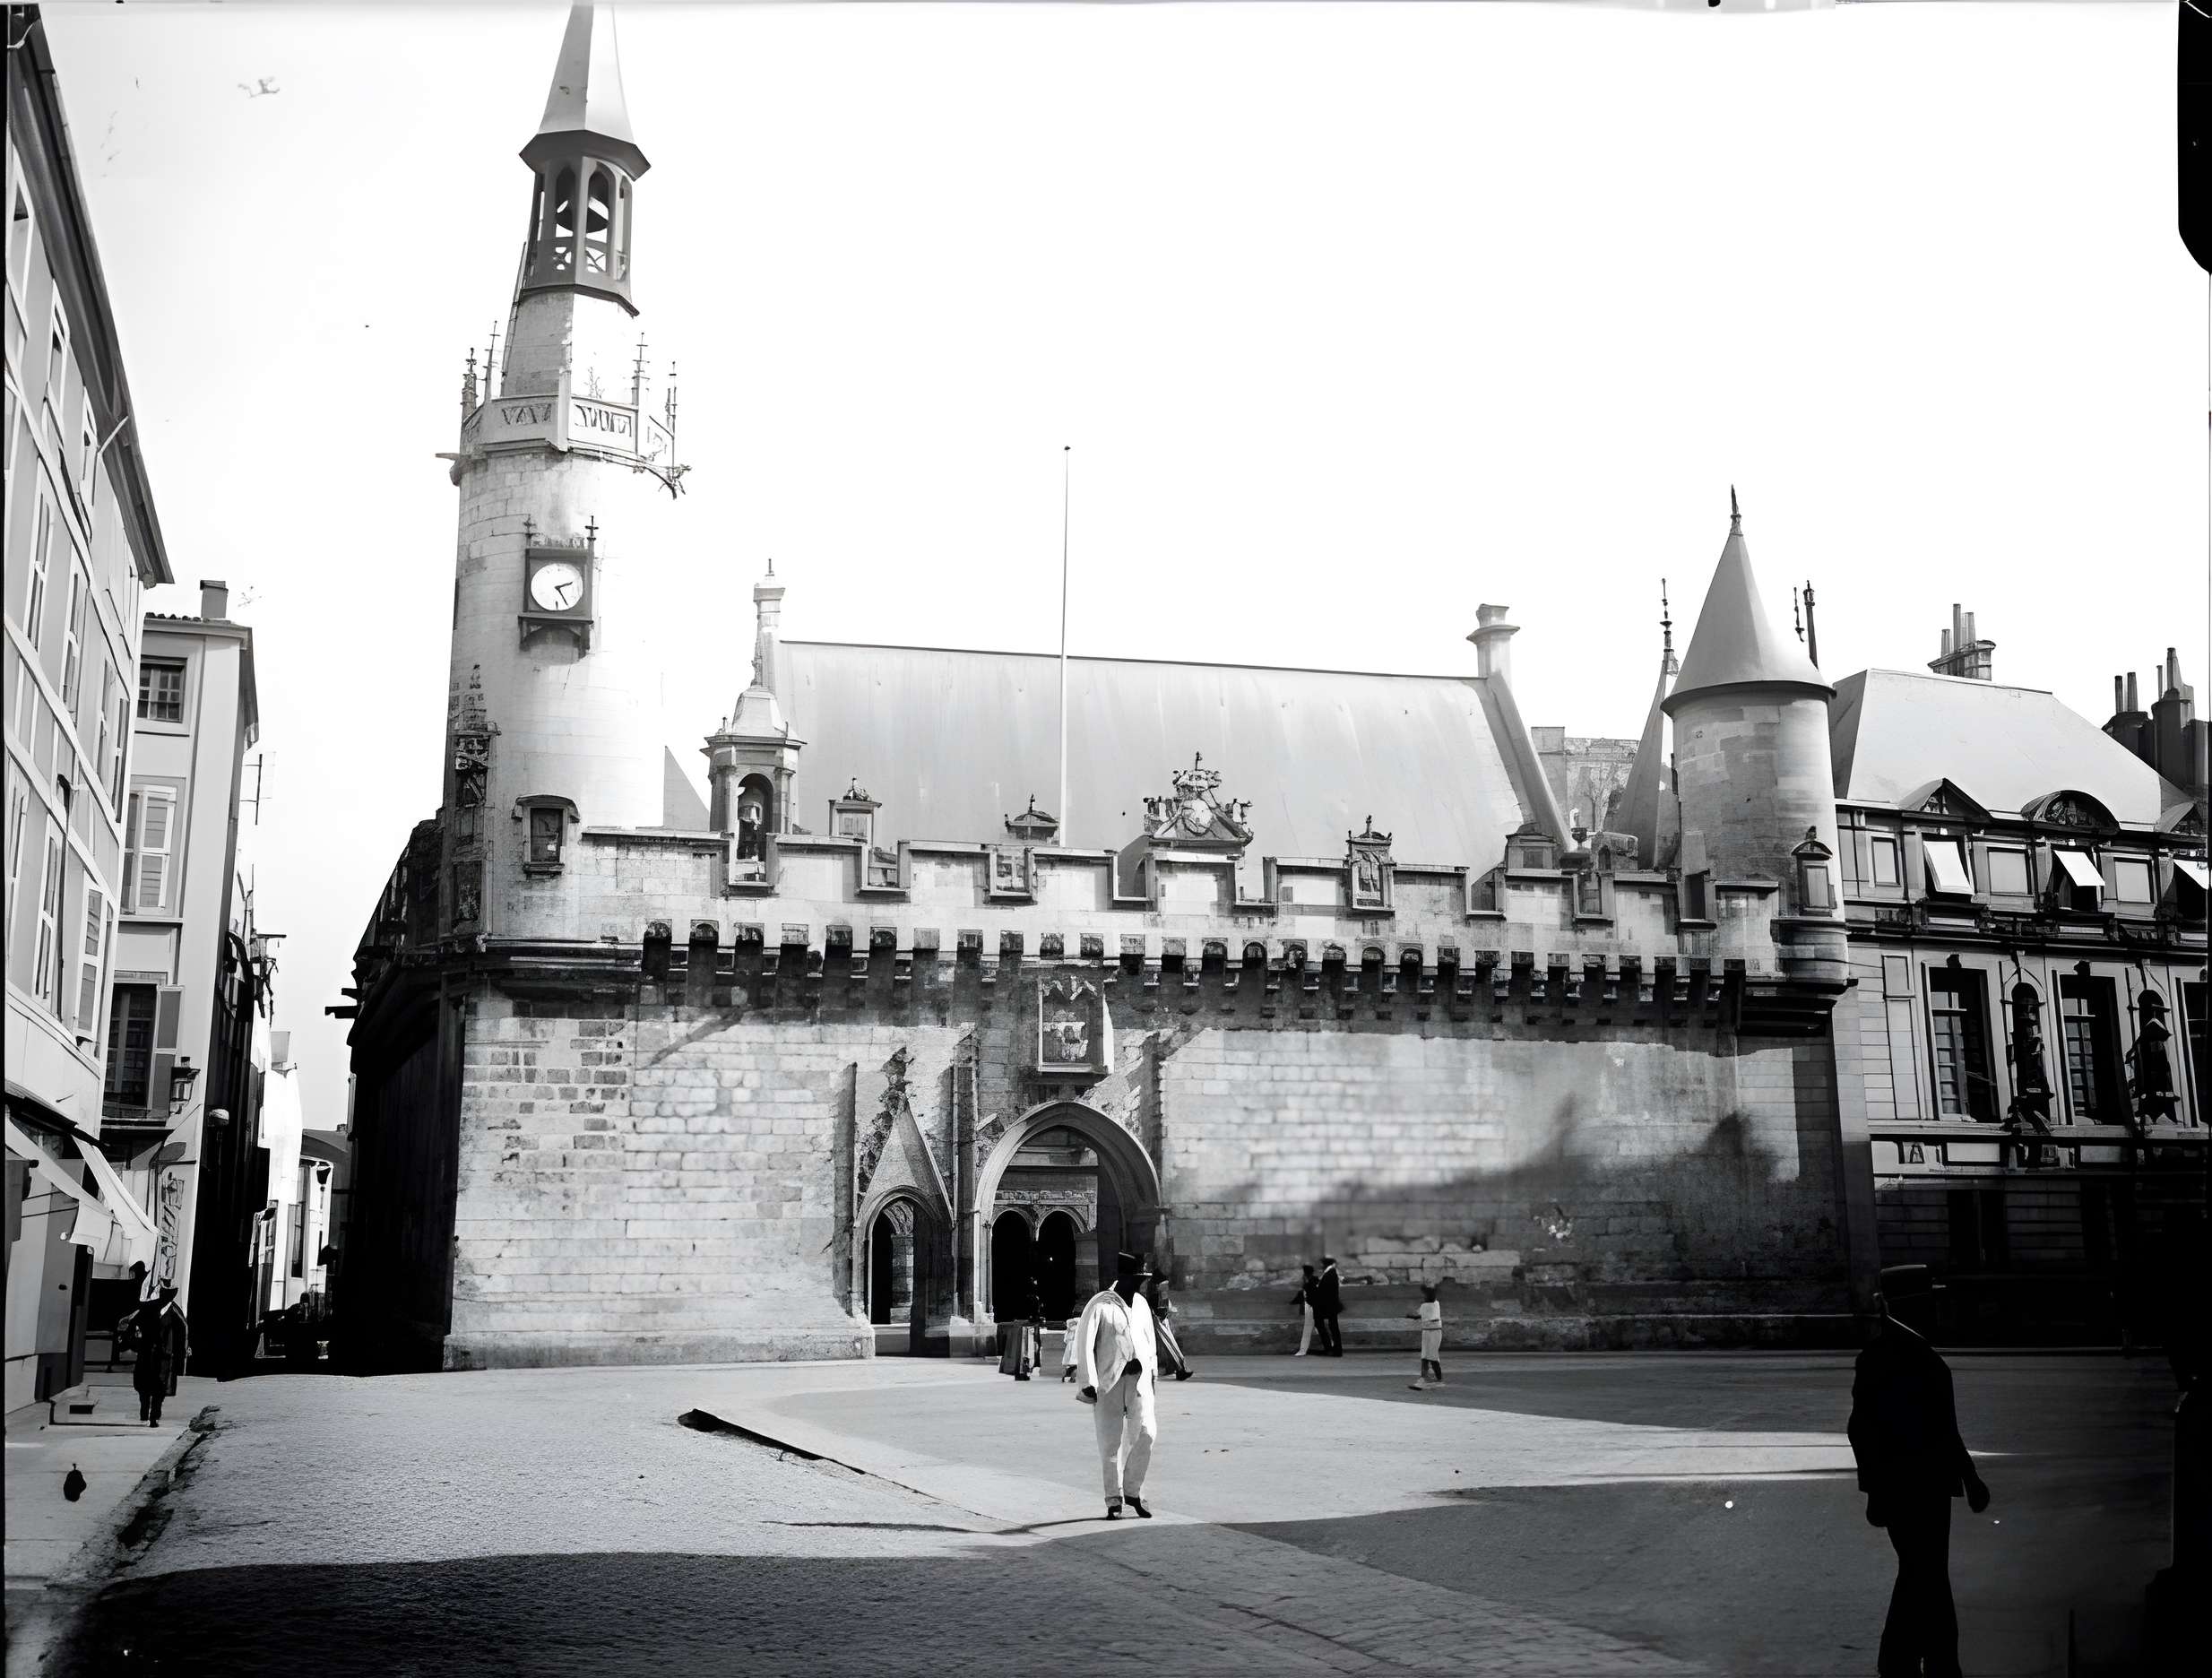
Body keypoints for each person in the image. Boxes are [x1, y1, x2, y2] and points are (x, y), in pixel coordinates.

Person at [1847, 1265, 1991, 1678]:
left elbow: (1865, 1432)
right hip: (1920, 1488)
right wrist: (1969, 1476)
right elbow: (1937, 1429)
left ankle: (1917, 1657)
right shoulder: (1918, 1362)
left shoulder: (1885, 1358)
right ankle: (1923, 1658)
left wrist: (1874, 1489)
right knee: (1923, 1572)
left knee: (1921, 1571)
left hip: (1909, 1488)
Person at [1075, 1251, 1161, 1519]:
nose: (1141, 1284)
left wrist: (1153, 1372)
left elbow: (1149, 1341)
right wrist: (1088, 1381)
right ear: (1123, 1278)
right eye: (1137, 1279)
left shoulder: (1142, 1305)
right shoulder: (1100, 1304)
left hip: (1139, 1381)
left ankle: (1133, 1490)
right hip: (1109, 1382)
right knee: (1110, 1443)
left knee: (1147, 1432)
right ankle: (1114, 1499)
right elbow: (1085, 1342)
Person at [129, 1285, 188, 1427]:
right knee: (144, 1385)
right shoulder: (149, 1307)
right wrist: (136, 1341)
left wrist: (180, 1353)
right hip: (147, 1352)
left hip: (164, 1356)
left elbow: (182, 1332)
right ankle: (144, 1411)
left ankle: (154, 1415)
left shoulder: (174, 1311)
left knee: (159, 1386)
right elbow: (133, 1323)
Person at [1146, 1277, 1194, 1382]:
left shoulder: (1161, 1295)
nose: (1166, 1287)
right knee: (1170, 1346)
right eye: (1163, 1284)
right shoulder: (1158, 1295)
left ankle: (1180, 1368)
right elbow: (1162, 1311)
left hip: (1161, 1322)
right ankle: (1180, 1369)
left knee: (1172, 1346)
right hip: (1158, 1322)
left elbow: (1165, 1310)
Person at [1406, 1284, 1445, 1389]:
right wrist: (1413, 1316)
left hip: (1433, 1331)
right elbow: (1421, 1315)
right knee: (1425, 1356)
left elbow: (1430, 1317)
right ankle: (1425, 1378)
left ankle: (1435, 1379)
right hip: (1428, 1331)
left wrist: (1416, 1317)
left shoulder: (1430, 1305)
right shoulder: (1431, 1304)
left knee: (1431, 1356)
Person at [1312, 1256, 1344, 1356]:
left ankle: (1331, 1349)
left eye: (1321, 1263)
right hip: (1330, 1306)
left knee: (1322, 1324)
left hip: (1328, 1306)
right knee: (1332, 1327)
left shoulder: (1330, 1273)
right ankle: (1334, 1349)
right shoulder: (1329, 1273)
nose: (1319, 1265)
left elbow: (1325, 1291)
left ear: (1325, 1264)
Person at [1291, 1264, 1318, 1356]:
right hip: (1312, 1307)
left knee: (1307, 1330)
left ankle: (1302, 1351)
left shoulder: (1310, 1282)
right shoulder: (1311, 1281)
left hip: (1311, 1307)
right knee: (1318, 1328)